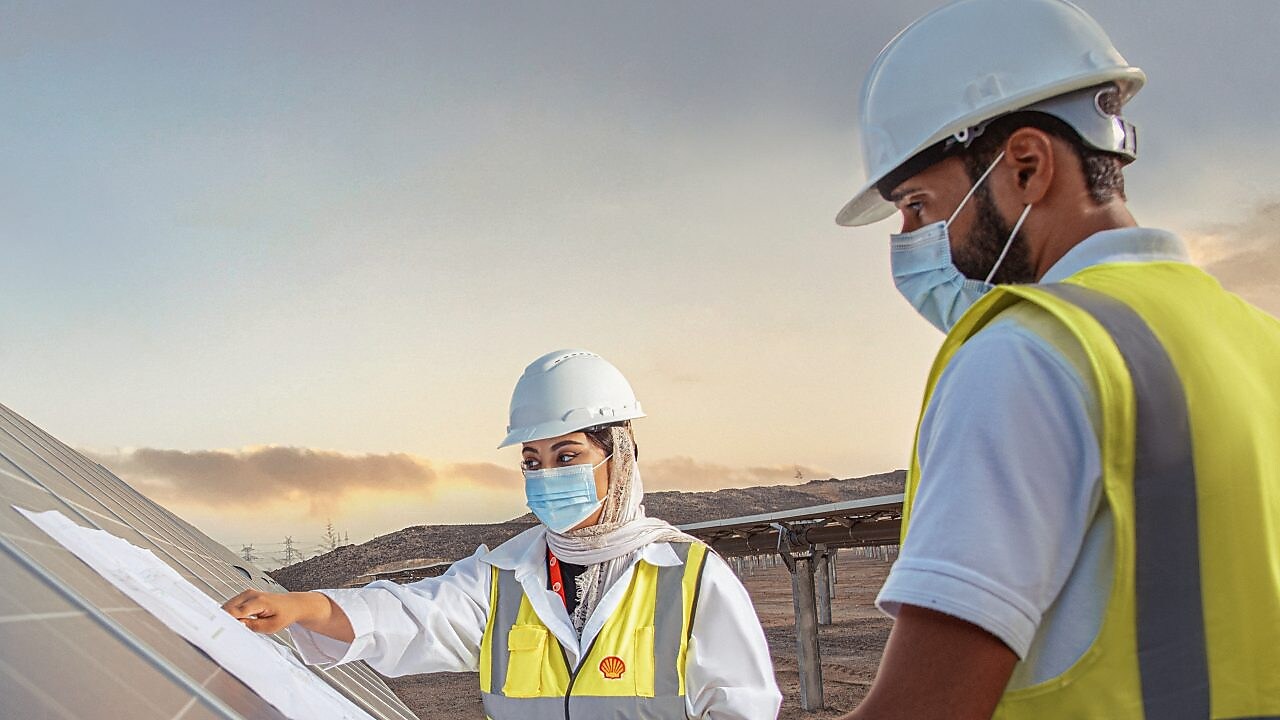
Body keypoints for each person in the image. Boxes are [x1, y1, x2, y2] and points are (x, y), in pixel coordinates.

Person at [831, 1, 1280, 718]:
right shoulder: (1262, 342)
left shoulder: (1026, 357)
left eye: (917, 205)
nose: (912, 238)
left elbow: (923, 709)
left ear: (1027, 165)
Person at [223, 349, 782, 720]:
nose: (547, 475)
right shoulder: (506, 575)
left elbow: (742, 708)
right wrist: (305, 606)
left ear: (621, 458)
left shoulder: (689, 576)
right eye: (533, 460)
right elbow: (414, 614)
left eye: (568, 455)